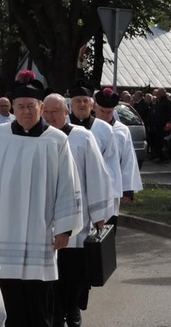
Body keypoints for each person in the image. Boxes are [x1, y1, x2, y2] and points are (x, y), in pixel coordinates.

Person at [0, 73, 82, 327]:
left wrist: (64, 228)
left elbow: (67, 185)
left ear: (41, 108)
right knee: (6, 300)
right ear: (12, 108)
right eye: (20, 107)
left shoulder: (57, 141)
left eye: (31, 106)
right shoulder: (0, 136)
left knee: (38, 301)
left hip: (40, 230)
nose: (25, 111)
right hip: (2, 228)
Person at [43, 93, 113, 327]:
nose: (51, 116)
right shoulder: (38, 137)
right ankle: (54, 314)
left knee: (74, 273)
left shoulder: (82, 137)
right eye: (47, 112)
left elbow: (96, 175)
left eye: (56, 112)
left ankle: (72, 309)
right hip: (44, 221)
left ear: (66, 112)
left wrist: (99, 216)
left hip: (77, 220)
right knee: (49, 276)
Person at [69, 82, 122, 221]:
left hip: (97, 188)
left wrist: (111, 193)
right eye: (78, 101)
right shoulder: (62, 127)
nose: (82, 104)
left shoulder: (104, 129)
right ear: (70, 105)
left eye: (85, 101)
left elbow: (112, 163)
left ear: (92, 105)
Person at [94, 87, 143, 211]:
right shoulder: (87, 129)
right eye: (102, 111)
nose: (105, 115)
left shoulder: (122, 130)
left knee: (110, 223)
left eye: (109, 112)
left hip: (113, 184)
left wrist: (128, 189)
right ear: (94, 108)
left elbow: (128, 160)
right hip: (91, 184)